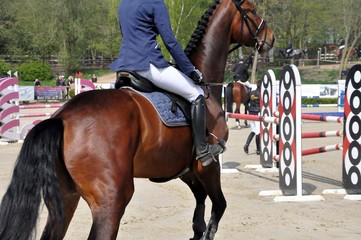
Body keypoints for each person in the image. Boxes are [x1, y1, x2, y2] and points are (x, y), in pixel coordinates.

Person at [109, 0, 224, 166]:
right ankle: (203, 151)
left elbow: (128, 34)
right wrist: (191, 70)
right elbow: (170, 41)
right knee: (196, 94)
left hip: (124, 66)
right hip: (148, 64)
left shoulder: (124, 3)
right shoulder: (155, 3)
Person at [243, 80, 261, 155]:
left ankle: (246, 144)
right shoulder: (262, 93)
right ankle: (258, 149)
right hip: (257, 113)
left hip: (251, 113)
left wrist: (249, 109)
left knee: (253, 130)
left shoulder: (251, 93)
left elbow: (245, 102)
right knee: (258, 132)